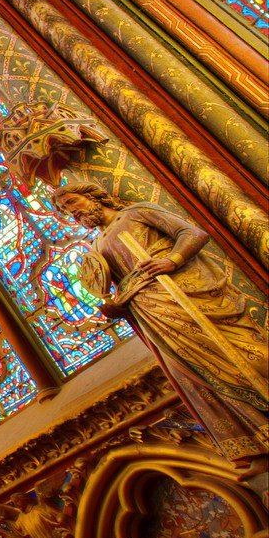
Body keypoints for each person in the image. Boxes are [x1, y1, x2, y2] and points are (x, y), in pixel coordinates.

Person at [54, 184, 269, 470]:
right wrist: (115, 306)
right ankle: (254, 438)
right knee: (191, 372)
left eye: (73, 201)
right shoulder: (95, 246)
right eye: (67, 210)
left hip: (184, 294)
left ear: (93, 196)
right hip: (151, 313)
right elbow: (114, 285)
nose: (74, 211)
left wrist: (173, 259)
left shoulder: (136, 213)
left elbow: (193, 233)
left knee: (236, 350)